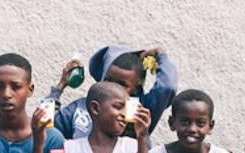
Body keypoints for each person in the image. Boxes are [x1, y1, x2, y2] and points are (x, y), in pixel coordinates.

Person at [50, 46, 178, 140]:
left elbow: (167, 87)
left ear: (135, 88)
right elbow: (45, 124)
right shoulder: (81, 108)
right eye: (108, 80)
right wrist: (60, 87)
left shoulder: (140, 111)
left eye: (122, 85)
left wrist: (160, 54)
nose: (112, 87)